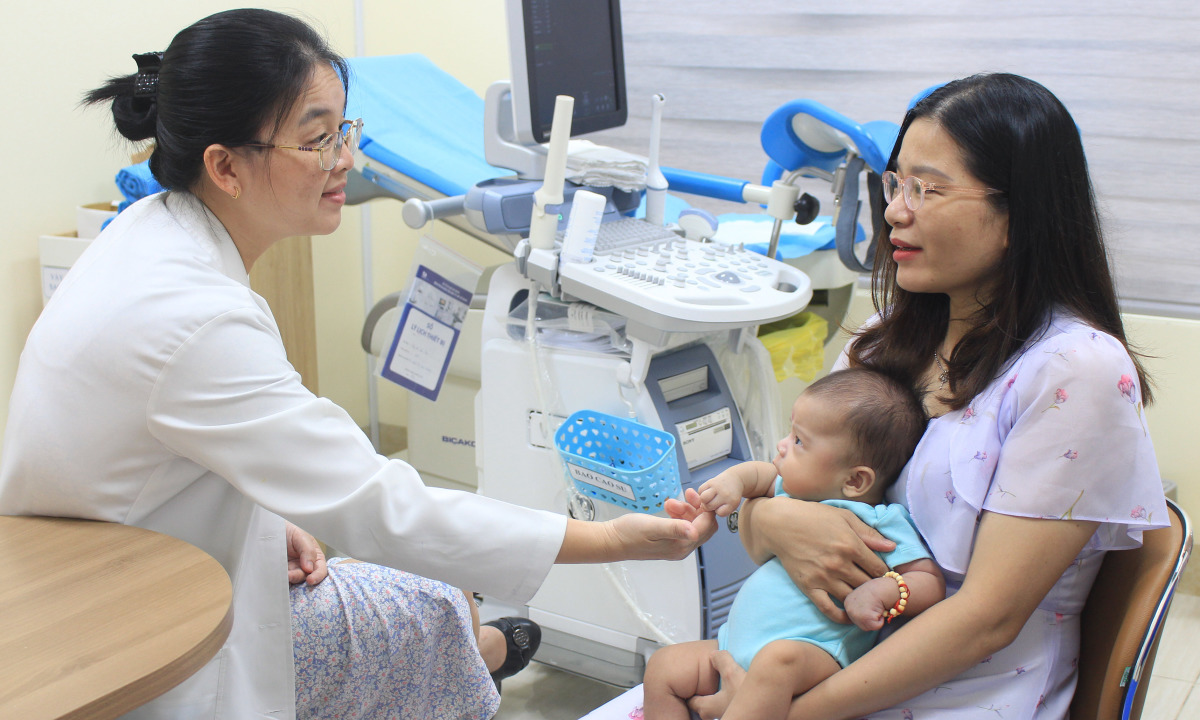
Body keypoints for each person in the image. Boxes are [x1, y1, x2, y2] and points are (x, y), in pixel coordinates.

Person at [0, 10, 715, 720]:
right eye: (316, 140)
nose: (345, 158)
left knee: (439, 606)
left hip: (122, 574)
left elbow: (146, 454)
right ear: (225, 167)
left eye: (344, 130)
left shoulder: (147, 234)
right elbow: (381, 505)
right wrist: (606, 539)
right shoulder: (196, 316)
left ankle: (490, 646)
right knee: (436, 607)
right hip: (142, 638)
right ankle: (489, 650)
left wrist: (261, 513)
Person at [676, 72, 1170, 720]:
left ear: (1018, 216)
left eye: (928, 189)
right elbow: (787, 500)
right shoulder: (886, 342)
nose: (895, 211)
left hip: (963, 697)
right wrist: (768, 518)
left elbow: (986, 620)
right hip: (826, 662)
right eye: (895, 183)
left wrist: (787, 710)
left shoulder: (1077, 372)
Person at [644, 368, 944, 720]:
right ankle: (736, 702)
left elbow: (930, 582)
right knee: (664, 665)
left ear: (855, 480)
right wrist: (731, 483)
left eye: (799, 441)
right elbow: (760, 475)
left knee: (776, 662)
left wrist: (884, 592)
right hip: (733, 645)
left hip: (810, 656)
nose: (782, 445)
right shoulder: (794, 491)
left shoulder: (880, 522)